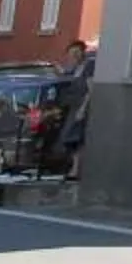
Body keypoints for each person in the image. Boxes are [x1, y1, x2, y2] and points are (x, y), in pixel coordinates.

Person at [53, 38, 94, 179]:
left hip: (82, 108)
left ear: (82, 52)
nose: (74, 56)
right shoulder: (76, 69)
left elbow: (91, 89)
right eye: (71, 53)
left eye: (76, 52)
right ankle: (73, 168)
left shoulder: (89, 66)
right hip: (74, 108)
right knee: (69, 138)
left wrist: (83, 108)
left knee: (76, 138)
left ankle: (76, 170)